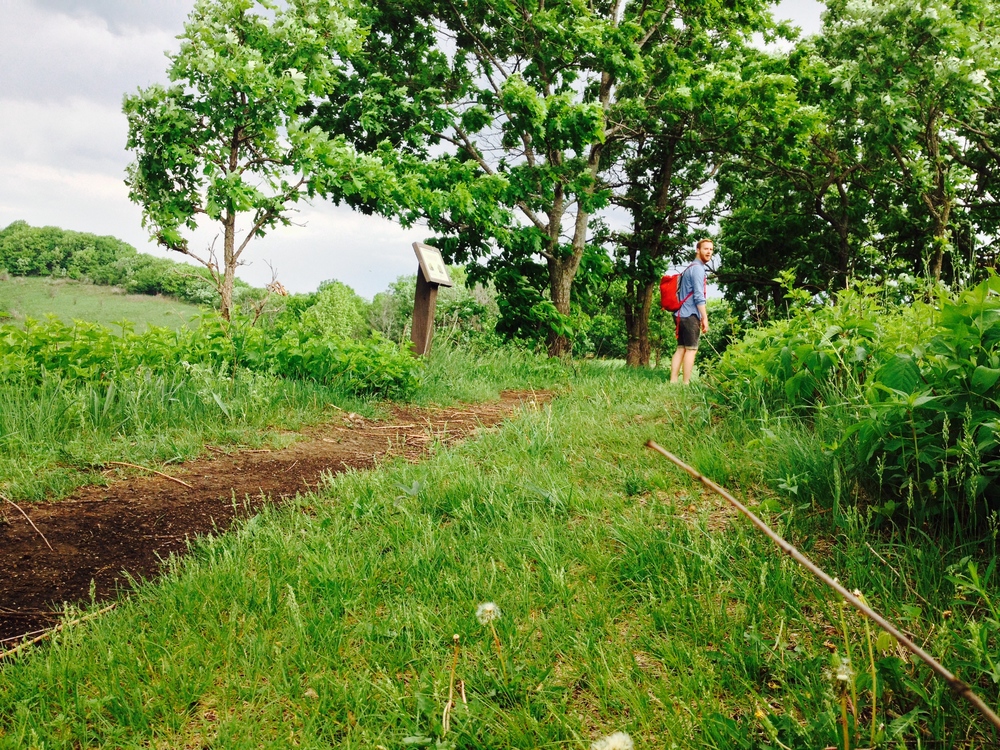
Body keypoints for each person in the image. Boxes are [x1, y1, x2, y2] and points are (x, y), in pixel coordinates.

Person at [670, 238, 713, 384]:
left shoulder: (689, 268)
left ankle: (673, 381)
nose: (709, 252)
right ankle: (686, 383)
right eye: (706, 249)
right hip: (690, 315)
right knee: (691, 349)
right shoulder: (698, 269)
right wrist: (704, 317)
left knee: (681, 348)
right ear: (698, 250)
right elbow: (698, 296)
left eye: (711, 250)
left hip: (679, 314)